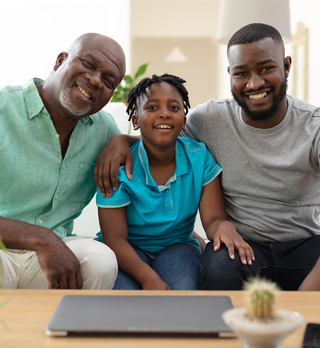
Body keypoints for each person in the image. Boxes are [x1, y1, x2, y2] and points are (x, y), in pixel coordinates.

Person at [94, 23, 320, 291]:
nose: (254, 82)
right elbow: (162, 138)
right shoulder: (210, 119)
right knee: (219, 265)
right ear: (230, 74)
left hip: (306, 246)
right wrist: (120, 141)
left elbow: (167, 134)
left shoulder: (313, 126)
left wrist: (309, 295)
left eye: (266, 68)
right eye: (241, 72)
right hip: (246, 246)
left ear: (286, 66)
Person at [94, 73, 253, 290]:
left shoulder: (199, 157)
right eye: (152, 108)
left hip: (178, 246)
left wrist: (224, 227)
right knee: (123, 295)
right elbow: (115, 240)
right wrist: (149, 279)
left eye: (174, 108)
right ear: (136, 120)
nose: (164, 114)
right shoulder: (118, 166)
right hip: (126, 249)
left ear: (184, 121)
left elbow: (214, 218)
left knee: (184, 289)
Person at [0, 33, 126, 289]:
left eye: (108, 80)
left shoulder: (105, 131)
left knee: (100, 261)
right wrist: (41, 239)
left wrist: (123, 141)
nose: (94, 79)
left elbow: (158, 150)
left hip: (56, 253)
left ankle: (76, 329)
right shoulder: (4, 109)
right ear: (60, 61)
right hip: (5, 249)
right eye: (88, 65)